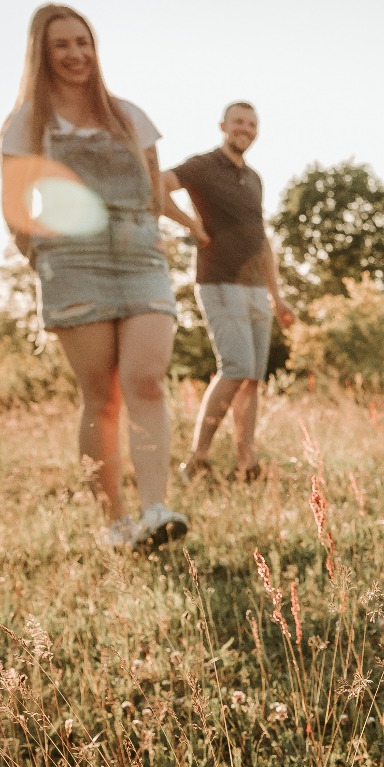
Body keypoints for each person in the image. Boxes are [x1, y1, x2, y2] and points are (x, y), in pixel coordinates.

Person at [0, 3, 195, 550]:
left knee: (145, 379)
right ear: (42, 53)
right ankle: (115, 523)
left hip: (139, 257)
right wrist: (43, 258)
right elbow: (15, 206)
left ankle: (156, 510)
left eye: (83, 42)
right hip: (72, 262)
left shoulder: (129, 116)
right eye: (62, 45)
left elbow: (153, 189)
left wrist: (150, 235)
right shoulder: (27, 123)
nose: (75, 54)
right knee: (102, 396)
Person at [164, 102, 295, 482]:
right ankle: (197, 461)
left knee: (252, 377)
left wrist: (277, 296)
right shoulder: (203, 166)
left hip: (256, 290)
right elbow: (157, 185)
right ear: (223, 125)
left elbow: (261, 239)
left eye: (252, 124)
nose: (245, 129)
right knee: (236, 368)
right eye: (239, 122)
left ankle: (246, 464)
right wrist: (192, 226)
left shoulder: (254, 178)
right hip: (219, 281)